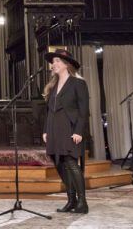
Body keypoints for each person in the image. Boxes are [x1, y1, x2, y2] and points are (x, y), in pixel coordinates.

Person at [42, 48, 89, 214]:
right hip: (55, 128)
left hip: (70, 129)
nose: (53, 64)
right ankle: (71, 200)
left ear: (66, 64)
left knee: (70, 162)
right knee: (59, 163)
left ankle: (82, 202)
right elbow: (49, 110)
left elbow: (83, 110)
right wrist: (46, 130)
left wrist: (79, 131)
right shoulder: (53, 85)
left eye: (57, 61)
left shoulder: (78, 83)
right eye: (53, 61)